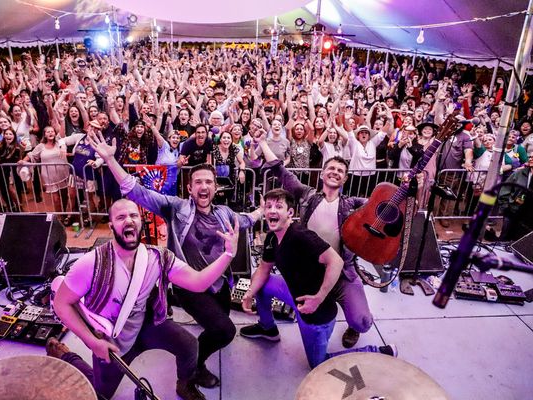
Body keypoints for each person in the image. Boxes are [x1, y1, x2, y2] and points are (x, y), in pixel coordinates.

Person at [87, 130, 263, 389]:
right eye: (198, 182)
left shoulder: (225, 213)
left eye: (209, 182)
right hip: (188, 285)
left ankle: (195, 349)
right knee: (225, 330)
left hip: (218, 284)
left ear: (215, 188)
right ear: (190, 188)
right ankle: (195, 368)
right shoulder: (176, 207)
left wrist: (262, 211)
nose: (204, 186)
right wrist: (111, 160)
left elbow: (246, 220)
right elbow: (136, 192)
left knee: (216, 327)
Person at [50, 198, 240, 400]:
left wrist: (228, 254)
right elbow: (61, 304)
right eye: (121, 217)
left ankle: (185, 384)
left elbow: (198, 282)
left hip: (147, 325)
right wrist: (92, 342)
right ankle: (66, 355)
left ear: (141, 222)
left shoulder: (159, 257)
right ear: (111, 225)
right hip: (114, 340)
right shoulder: (91, 263)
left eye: (133, 215)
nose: (128, 220)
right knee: (100, 395)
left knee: (189, 345)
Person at [239, 189, 397, 369]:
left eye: (278, 206)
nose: (272, 211)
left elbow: (336, 262)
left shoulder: (301, 236)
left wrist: (318, 298)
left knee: (318, 364)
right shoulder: (271, 238)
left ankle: (378, 351)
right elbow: (264, 268)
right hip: (293, 294)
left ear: (290, 213)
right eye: (268, 207)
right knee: (261, 283)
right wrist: (249, 293)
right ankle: (268, 328)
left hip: (315, 311)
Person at [250, 130, 373, 348]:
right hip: (308, 274)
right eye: (331, 168)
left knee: (362, 322)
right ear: (323, 173)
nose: (335, 172)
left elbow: (382, 204)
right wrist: (262, 143)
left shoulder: (352, 204)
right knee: (261, 284)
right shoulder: (307, 195)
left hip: (343, 273)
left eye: (340, 171)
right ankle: (267, 326)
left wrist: (411, 187)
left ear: (345, 178)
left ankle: (352, 325)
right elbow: (280, 170)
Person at [498, 151, 533, 241]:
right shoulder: (519, 173)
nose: (530, 159)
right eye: (530, 157)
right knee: (505, 237)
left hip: (529, 215)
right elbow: (505, 189)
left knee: (522, 240)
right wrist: (505, 207)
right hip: (513, 210)